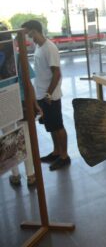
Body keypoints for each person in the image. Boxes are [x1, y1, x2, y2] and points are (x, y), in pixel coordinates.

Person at [21, 20, 70, 171]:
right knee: (51, 126)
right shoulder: (38, 46)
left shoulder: (50, 48)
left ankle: (64, 156)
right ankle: (56, 152)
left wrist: (49, 93)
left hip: (51, 96)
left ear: (34, 31)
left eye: (27, 33)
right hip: (42, 94)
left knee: (58, 125)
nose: (27, 37)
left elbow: (57, 72)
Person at [0, 23, 41, 186]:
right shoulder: (18, 57)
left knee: (9, 139)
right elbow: (28, 83)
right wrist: (35, 104)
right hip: (21, 102)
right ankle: (31, 175)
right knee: (25, 139)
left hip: (3, 104)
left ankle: (15, 175)